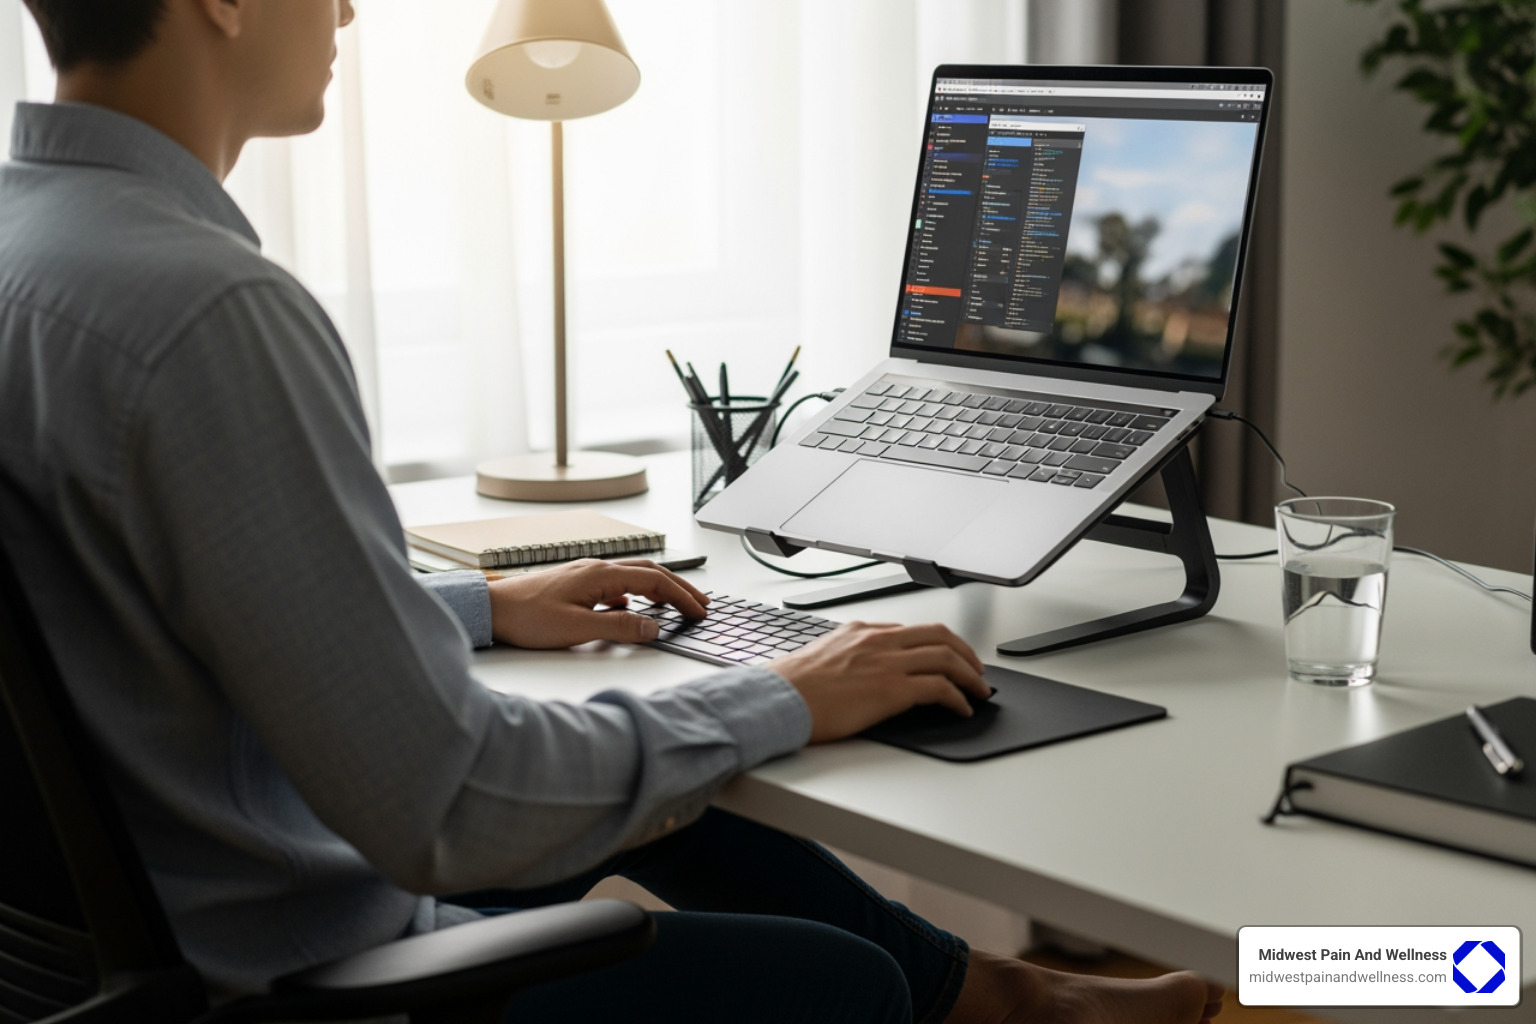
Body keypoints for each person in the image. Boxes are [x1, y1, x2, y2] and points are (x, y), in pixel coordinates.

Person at [0, 1, 1224, 1021]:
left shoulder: (33, 245)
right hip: (303, 971)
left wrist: (482, 602)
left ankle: (1011, 998)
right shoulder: (209, 311)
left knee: (693, 801)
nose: (347, 12)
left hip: (142, 922)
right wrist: (789, 692)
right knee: (837, 987)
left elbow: (162, 604)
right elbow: (455, 804)